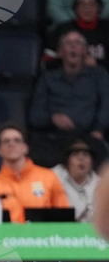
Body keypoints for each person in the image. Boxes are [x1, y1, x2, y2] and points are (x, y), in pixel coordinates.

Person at [29, 30, 109, 167]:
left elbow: (106, 105)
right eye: (68, 43)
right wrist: (52, 118)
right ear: (60, 52)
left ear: (84, 51)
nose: (73, 47)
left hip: (89, 137)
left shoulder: (99, 75)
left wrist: (98, 130)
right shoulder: (47, 79)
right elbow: (35, 116)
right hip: (54, 138)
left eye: (78, 43)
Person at [0, 123, 72, 222]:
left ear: (25, 147)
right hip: (8, 236)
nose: (11, 144)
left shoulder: (49, 177)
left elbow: (64, 217)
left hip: (42, 236)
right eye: (6, 141)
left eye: (17, 140)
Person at [49, 0, 109, 70]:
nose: (87, 8)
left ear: (98, 8)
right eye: (82, 4)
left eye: (92, 4)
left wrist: (97, 65)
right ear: (76, 9)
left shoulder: (106, 28)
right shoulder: (62, 30)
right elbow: (49, 62)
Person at [52, 138, 101, 220]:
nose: (81, 158)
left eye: (85, 155)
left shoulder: (100, 185)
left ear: (91, 163)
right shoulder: (53, 177)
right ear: (67, 162)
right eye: (75, 154)